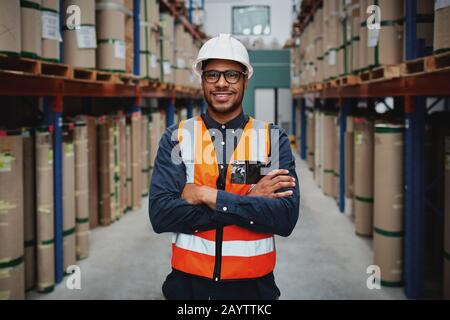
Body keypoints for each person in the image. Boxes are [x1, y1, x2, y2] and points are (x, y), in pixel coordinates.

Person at [149, 34, 300, 300]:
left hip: (253, 290)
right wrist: (248, 202)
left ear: (245, 79)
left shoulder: (271, 139)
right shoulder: (177, 138)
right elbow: (162, 216)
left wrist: (208, 196)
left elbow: (284, 218)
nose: (221, 83)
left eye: (231, 74)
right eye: (212, 75)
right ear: (202, 79)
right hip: (188, 288)